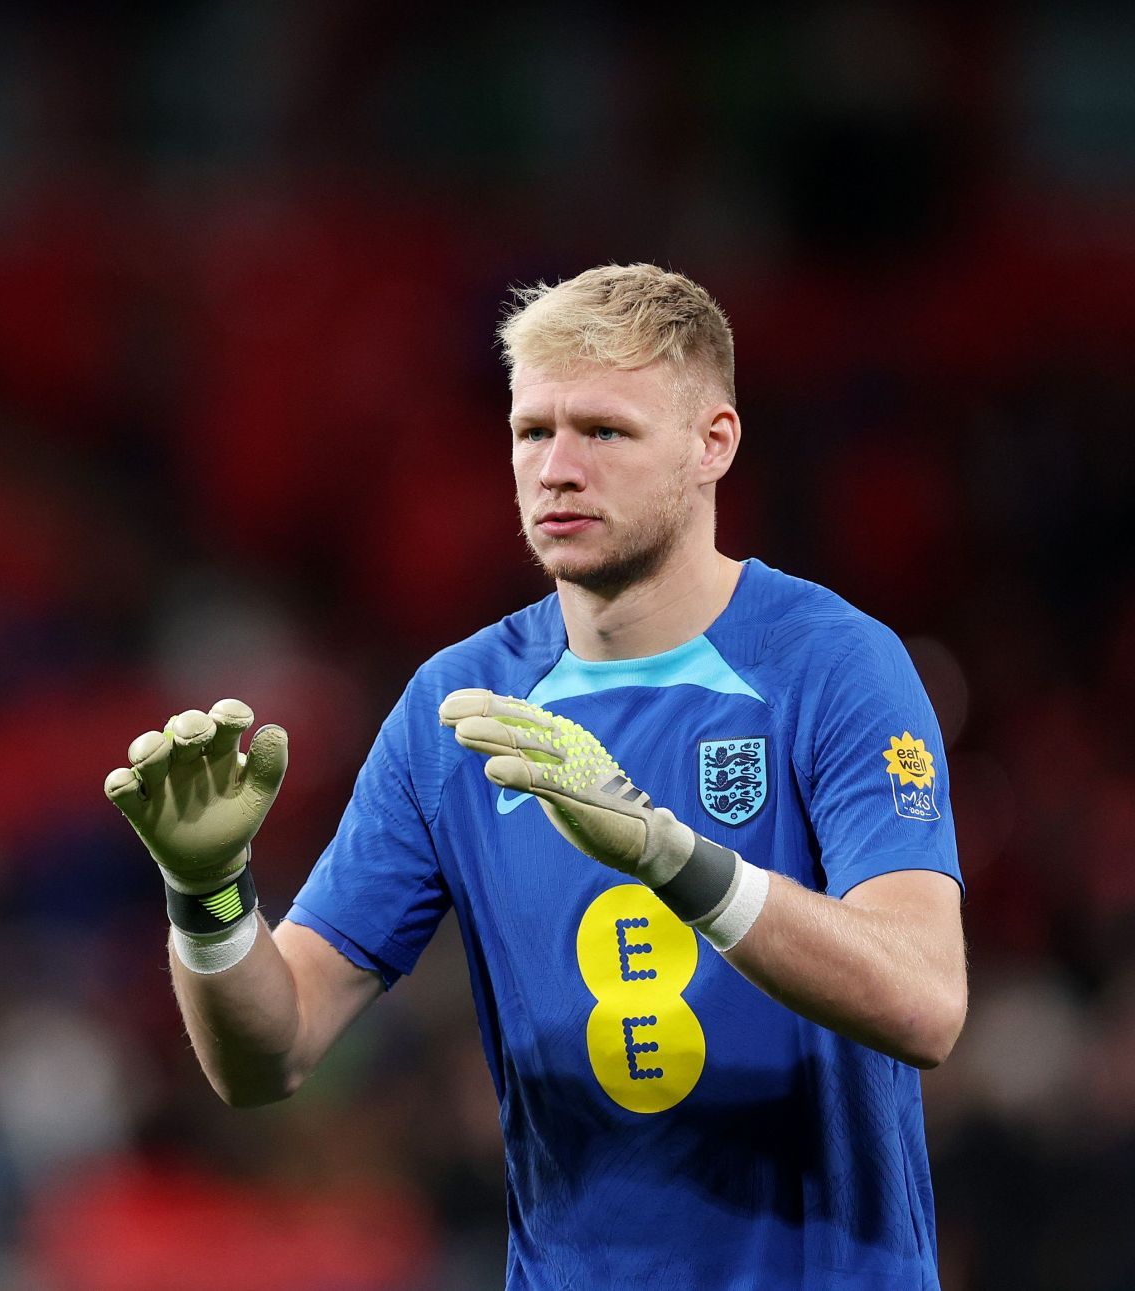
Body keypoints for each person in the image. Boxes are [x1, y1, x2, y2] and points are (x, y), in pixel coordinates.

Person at [103, 264, 967, 1289]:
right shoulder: (456, 707)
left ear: (712, 445)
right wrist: (207, 899)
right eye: (532, 431)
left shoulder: (830, 662)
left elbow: (924, 1001)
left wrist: (668, 853)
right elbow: (271, 1050)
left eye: (604, 431)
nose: (557, 468)